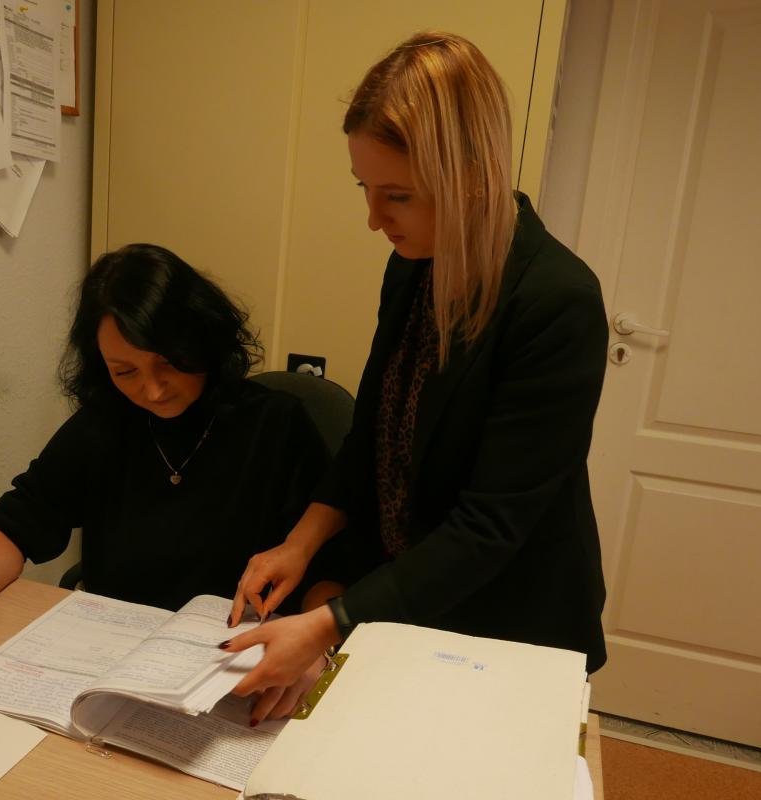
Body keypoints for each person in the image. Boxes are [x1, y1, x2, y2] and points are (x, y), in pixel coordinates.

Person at [222, 31, 610, 719]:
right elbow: (372, 433)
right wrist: (298, 543)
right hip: (409, 594)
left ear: (472, 176)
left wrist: (328, 623)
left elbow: (489, 526)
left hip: (510, 617)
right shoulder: (414, 265)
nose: (374, 220)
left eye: (396, 195)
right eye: (365, 189)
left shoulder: (557, 300)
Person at [0, 243, 328, 660]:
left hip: (240, 654)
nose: (152, 391)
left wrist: (317, 646)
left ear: (202, 339)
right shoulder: (105, 423)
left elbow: (331, 566)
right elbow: (15, 523)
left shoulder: (276, 425)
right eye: (125, 371)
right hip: (115, 653)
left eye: (168, 363)